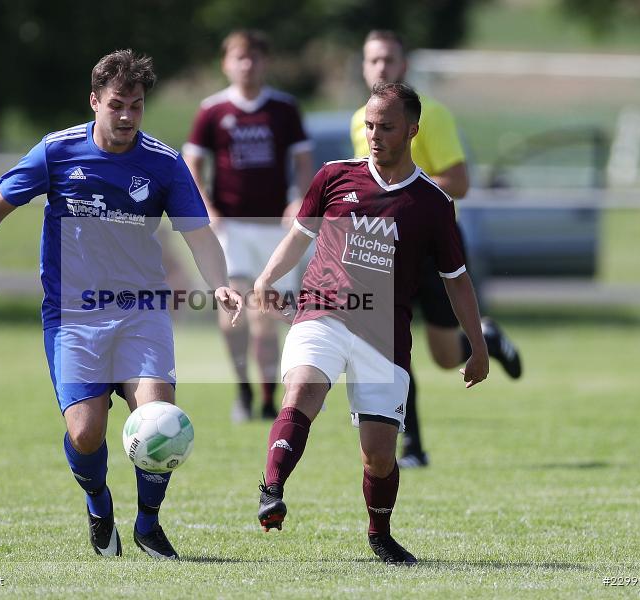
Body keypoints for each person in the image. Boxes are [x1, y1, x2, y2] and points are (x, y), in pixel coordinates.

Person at [0, 50, 242, 561]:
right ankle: (98, 504)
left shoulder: (163, 162)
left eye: (136, 105)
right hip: (74, 316)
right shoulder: (57, 151)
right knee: (86, 434)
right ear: (94, 101)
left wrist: (219, 284)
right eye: (117, 105)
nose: (127, 116)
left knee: (159, 419)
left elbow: (198, 234)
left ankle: (148, 524)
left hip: (141, 311)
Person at [254, 83, 489, 564]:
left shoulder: (432, 203)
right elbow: (299, 236)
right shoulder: (333, 176)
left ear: (413, 131)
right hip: (322, 312)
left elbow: (457, 280)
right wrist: (266, 278)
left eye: (386, 127)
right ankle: (271, 490)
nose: (375, 135)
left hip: (384, 333)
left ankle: (380, 534)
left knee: (379, 454)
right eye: (369, 125)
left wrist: (478, 346)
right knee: (301, 391)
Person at [351, 30, 522, 468]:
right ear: (363, 67)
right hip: (384, 249)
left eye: (389, 59)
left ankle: (485, 338)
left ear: (404, 65)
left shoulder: (432, 115)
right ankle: (412, 447)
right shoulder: (360, 120)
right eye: (373, 60)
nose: (381, 67)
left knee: (446, 356)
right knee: (391, 345)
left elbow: (458, 182)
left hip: (432, 245)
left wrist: (406, 192)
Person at [183, 30, 314, 422]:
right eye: (239, 57)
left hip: (276, 229)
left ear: (265, 62)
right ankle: (243, 390)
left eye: (254, 57)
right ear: (226, 63)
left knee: (266, 316)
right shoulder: (212, 110)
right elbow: (192, 163)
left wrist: (299, 199)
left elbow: (304, 162)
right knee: (233, 315)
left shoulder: (284, 108)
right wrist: (206, 207)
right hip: (232, 229)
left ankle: (269, 399)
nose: (247, 64)